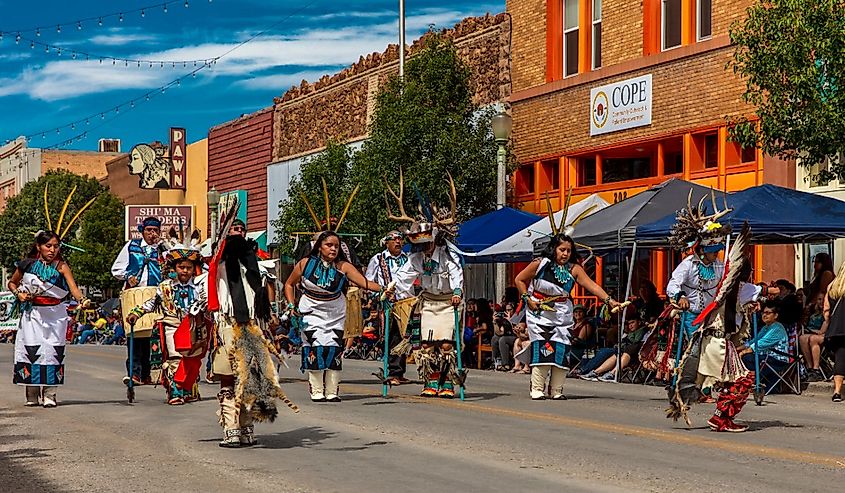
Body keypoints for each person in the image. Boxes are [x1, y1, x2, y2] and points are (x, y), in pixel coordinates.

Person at [208, 205, 296, 448]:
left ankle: (247, 427)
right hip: (227, 323)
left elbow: (265, 297)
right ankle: (231, 429)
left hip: (253, 325)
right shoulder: (219, 262)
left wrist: (270, 318)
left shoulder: (257, 264)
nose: (238, 232)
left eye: (241, 229)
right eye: (233, 229)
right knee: (228, 376)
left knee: (251, 377)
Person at [285, 230, 390, 403]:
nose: (333, 249)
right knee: (315, 347)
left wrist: (384, 289)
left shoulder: (344, 267)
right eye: (329, 245)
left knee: (334, 349)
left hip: (335, 312)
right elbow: (289, 284)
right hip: (311, 312)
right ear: (319, 247)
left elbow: (365, 283)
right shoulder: (305, 264)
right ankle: (317, 390)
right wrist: (290, 305)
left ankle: (332, 391)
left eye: (336, 246)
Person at [388, 171, 465, 398]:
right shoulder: (415, 259)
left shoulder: (446, 254)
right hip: (429, 304)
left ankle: (448, 383)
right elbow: (402, 276)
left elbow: (456, 272)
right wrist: (390, 290)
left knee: (446, 346)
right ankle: (430, 382)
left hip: (448, 303)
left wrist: (458, 292)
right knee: (427, 346)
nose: (422, 247)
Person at [515, 234, 619, 400]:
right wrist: (527, 300)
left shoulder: (574, 269)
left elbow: (592, 285)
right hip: (539, 313)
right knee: (544, 348)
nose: (565, 254)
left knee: (563, 350)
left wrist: (609, 300)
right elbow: (519, 279)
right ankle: (537, 388)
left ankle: (556, 389)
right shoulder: (539, 264)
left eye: (568, 251)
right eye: (562, 249)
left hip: (562, 313)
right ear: (553, 248)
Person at [10, 231, 91, 408]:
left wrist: (82, 300)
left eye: (56, 246)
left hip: (55, 315)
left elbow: (74, 289)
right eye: (48, 246)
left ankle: (50, 394)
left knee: (52, 353)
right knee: (31, 351)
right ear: (39, 247)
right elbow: (12, 283)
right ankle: (31, 393)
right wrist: (19, 294)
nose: (52, 249)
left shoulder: (62, 267)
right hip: (32, 315)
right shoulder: (27, 265)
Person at [128, 241, 210, 405]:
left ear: (194, 268)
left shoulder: (200, 286)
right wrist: (137, 313)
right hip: (172, 324)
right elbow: (153, 302)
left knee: (192, 359)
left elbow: (208, 303)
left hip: (193, 327)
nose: (185, 271)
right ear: (175, 268)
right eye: (182, 267)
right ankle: (175, 391)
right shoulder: (165, 287)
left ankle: (188, 389)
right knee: (174, 357)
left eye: (188, 267)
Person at [112, 217, 167, 386]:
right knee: (135, 334)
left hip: (155, 295)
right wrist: (129, 276)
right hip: (135, 295)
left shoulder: (162, 250)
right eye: (149, 230)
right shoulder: (131, 246)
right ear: (143, 231)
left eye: (155, 231)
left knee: (153, 336)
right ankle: (134, 373)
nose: (152, 234)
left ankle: (148, 373)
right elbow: (116, 269)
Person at [365, 230, 414, 385]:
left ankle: (399, 372)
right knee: (390, 335)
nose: (398, 242)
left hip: (406, 302)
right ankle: (392, 371)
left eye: (400, 239)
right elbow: (368, 280)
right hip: (387, 303)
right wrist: (376, 296)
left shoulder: (409, 259)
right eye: (394, 240)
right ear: (386, 242)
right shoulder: (378, 259)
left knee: (404, 337)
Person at [580, 312, 647, 382]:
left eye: (633, 323)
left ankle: (585, 370)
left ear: (639, 322)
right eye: (629, 324)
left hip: (632, 353)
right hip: (621, 350)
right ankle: (595, 372)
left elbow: (635, 343)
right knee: (608, 352)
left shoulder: (642, 331)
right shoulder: (630, 333)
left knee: (605, 351)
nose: (631, 326)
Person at [737, 301, 789, 391]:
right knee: (747, 357)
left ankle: (753, 382)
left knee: (748, 357)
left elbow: (761, 343)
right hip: (767, 356)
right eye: (763, 313)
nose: (764, 315)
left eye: (768, 313)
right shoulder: (766, 327)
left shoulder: (777, 328)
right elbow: (753, 341)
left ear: (775, 315)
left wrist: (744, 352)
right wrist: (737, 348)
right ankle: (753, 381)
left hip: (778, 358)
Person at [819, 262, 845, 402]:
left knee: (840, 359)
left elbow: (826, 312)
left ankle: (837, 392)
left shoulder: (832, 287)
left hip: (837, 329)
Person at [800, 292, 827, 382]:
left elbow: (821, 331)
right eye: (819, 299)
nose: (821, 302)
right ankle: (810, 367)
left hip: (825, 335)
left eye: (823, 300)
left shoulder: (827, 313)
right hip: (811, 333)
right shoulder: (813, 311)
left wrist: (811, 331)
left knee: (813, 339)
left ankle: (816, 369)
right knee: (802, 338)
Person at [491, 306, 516, 371]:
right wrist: (495, 322)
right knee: (495, 338)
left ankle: (506, 364)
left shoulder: (517, 316)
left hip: (516, 337)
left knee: (503, 340)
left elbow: (517, 331)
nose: (508, 312)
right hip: (507, 337)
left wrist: (511, 321)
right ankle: (496, 362)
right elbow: (500, 333)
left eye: (510, 310)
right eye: (506, 310)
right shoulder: (503, 320)